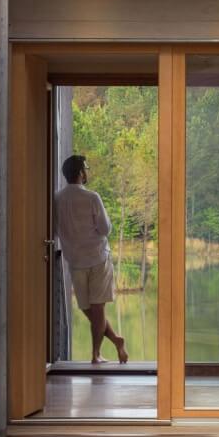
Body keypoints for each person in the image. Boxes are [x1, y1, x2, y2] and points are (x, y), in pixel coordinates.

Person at [53, 154, 129, 365]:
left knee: (91, 310)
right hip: (98, 258)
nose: (88, 172)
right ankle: (113, 342)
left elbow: (54, 230)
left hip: (75, 261)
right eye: (86, 168)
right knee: (97, 311)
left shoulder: (57, 199)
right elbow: (105, 229)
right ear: (80, 173)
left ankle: (97, 353)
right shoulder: (92, 198)